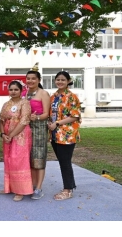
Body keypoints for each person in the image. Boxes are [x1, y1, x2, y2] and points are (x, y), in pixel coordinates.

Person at [47, 71, 81, 201]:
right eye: (58, 79)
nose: (60, 82)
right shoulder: (54, 96)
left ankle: (68, 190)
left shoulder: (71, 96)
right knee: (62, 162)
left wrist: (57, 123)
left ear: (68, 81)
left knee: (65, 162)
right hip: (55, 134)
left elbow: (74, 116)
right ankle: (69, 186)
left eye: (63, 80)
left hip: (67, 135)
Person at [0, 81, 33, 202]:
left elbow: (24, 121)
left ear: (21, 90)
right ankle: (9, 187)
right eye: (11, 89)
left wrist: (11, 135)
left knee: (18, 160)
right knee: (8, 160)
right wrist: (3, 134)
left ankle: (21, 190)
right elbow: (2, 120)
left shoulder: (25, 103)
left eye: (16, 90)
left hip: (21, 135)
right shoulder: (6, 104)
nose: (13, 92)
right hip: (7, 136)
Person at [24, 69, 51, 200]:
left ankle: (39, 188)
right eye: (28, 78)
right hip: (25, 128)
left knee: (38, 158)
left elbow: (47, 113)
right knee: (29, 158)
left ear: (39, 80)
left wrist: (38, 118)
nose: (30, 81)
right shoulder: (24, 93)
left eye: (33, 78)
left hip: (39, 129)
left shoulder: (43, 93)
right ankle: (32, 185)